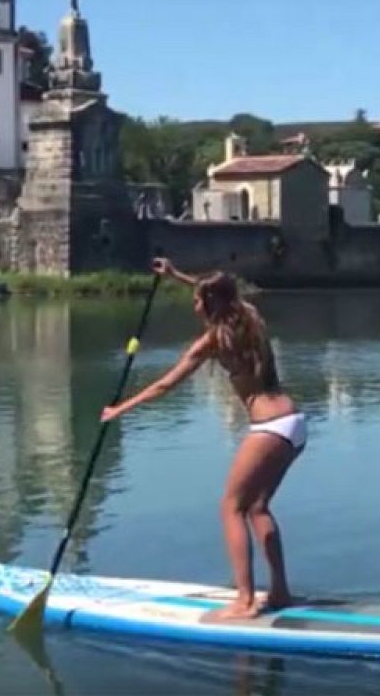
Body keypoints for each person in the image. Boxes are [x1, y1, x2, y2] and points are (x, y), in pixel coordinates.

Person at [101, 257, 305, 619]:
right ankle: (280, 592)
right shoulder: (252, 318)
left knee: (231, 507)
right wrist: (175, 275)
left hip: (269, 428)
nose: (194, 304)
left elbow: (166, 384)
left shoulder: (213, 341)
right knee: (257, 507)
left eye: (198, 300)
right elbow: (218, 290)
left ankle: (243, 601)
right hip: (295, 422)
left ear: (210, 304)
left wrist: (120, 410)